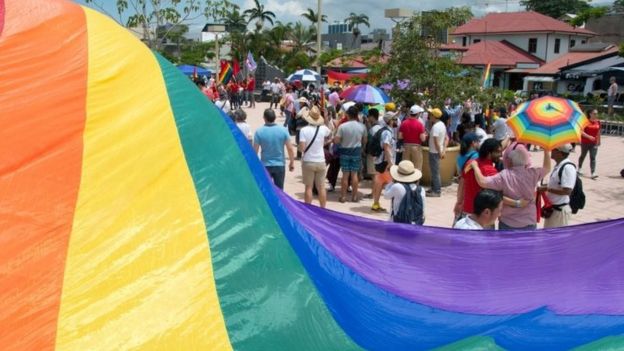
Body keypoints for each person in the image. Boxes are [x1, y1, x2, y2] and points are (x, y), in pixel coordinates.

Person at [472, 145, 550, 230]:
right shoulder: (532, 173)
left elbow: (482, 182)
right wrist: (546, 150)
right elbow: (547, 168)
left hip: (508, 222)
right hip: (529, 221)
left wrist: (475, 166)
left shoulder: (504, 175)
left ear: (511, 161)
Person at [253, 109, 295, 189]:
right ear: (275, 117)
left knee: (266, 190)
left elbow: (255, 151)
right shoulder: (283, 130)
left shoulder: (259, 132)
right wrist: (292, 162)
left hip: (265, 165)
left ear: (264, 118)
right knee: (279, 191)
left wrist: (255, 165)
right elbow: (290, 148)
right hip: (280, 165)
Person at [299, 106, 332, 208]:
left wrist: (300, 149)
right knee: (321, 187)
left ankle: (308, 209)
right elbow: (331, 135)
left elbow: (302, 148)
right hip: (321, 161)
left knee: (308, 187)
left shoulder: (304, 130)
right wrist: (324, 143)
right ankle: (323, 208)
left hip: (308, 161)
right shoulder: (323, 129)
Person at [334, 105, 367, 203]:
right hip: (356, 152)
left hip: (344, 152)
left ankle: (343, 197)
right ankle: (354, 196)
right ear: (357, 115)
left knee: (345, 175)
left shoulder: (342, 126)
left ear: (347, 115)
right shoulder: (362, 126)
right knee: (354, 175)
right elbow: (365, 140)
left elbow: (336, 140)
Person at [539, 144, 576, 228]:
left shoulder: (567, 168)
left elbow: (567, 191)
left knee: (555, 238)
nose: (552, 151)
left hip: (559, 212)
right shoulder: (559, 165)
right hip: (553, 210)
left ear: (560, 153)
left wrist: (547, 189)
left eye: (554, 149)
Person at [371, 112, 398, 212]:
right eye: (395, 119)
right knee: (389, 183)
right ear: (390, 121)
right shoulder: (387, 132)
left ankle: (376, 203)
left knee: (380, 182)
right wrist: (390, 163)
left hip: (382, 161)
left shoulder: (386, 130)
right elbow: (386, 147)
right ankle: (392, 207)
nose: (396, 121)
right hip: (385, 162)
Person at [453, 133, 481, 221]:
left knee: (461, 208)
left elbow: (460, 174)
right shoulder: (477, 157)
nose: (479, 143)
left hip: (462, 186)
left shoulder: (459, 157)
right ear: (473, 143)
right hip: (471, 186)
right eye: (478, 141)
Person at [426, 108, 448, 197]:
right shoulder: (442, 124)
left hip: (434, 152)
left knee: (435, 172)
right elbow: (446, 138)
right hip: (437, 151)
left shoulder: (436, 127)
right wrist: (443, 150)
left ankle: (437, 190)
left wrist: (440, 152)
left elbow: (436, 141)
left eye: (430, 114)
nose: (429, 116)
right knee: (434, 171)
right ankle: (433, 188)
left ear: (434, 116)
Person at [399, 105, 427, 171]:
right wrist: (425, 135)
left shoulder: (404, 123)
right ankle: (416, 181)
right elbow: (423, 139)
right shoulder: (420, 124)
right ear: (417, 114)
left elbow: (400, 136)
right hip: (416, 147)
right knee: (417, 167)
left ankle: (406, 181)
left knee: (405, 167)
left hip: (406, 146)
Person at [578, 109, 601, 179]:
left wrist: (599, 141)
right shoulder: (585, 122)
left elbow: (598, 132)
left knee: (593, 157)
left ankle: (593, 173)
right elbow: (581, 132)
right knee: (583, 155)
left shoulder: (598, 122)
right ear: (590, 114)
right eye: (594, 113)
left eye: (596, 113)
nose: (596, 115)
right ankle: (579, 168)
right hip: (585, 142)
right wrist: (589, 137)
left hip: (594, 143)